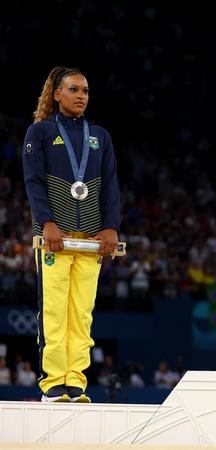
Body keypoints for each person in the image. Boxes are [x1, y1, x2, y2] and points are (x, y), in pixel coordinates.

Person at [23, 66, 121, 402]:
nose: (81, 96)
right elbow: (33, 182)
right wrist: (47, 222)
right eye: (74, 90)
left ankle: (76, 380)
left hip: (91, 239)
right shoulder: (40, 132)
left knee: (81, 312)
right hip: (55, 237)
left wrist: (110, 227)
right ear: (57, 94)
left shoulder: (100, 137)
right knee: (53, 310)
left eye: (86, 91)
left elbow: (109, 186)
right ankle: (52, 382)